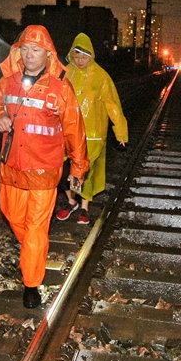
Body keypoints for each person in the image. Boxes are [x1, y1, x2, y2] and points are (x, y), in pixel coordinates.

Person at [0, 25, 89, 309]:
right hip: (11, 168)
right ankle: (34, 251)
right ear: (18, 51)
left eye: (36, 50)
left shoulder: (61, 88)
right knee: (13, 216)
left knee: (34, 229)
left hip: (44, 170)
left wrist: (77, 170)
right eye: (25, 49)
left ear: (48, 54)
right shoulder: (7, 82)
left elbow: (74, 130)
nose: (30, 55)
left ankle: (32, 283)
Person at [56, 32, 128, 225]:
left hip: (92, 133)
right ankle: (71, 201)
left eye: (84, 57)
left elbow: (112, 104)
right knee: (63, 170)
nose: (80, 61)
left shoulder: (101, 77)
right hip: (65, 131)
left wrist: (120, 131)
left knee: (85, 171)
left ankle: (84, 207)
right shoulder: (64, 72)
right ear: (72, 55)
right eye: (77, 56)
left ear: (91, 56)